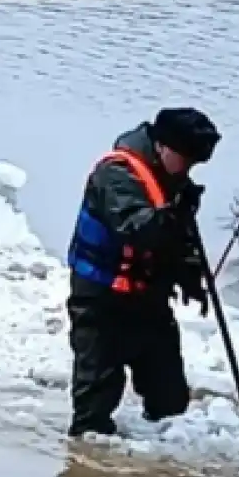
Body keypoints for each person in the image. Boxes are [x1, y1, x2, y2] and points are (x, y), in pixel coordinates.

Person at [64, 106, 222, 438]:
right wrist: (173, 215)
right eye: (187, 159)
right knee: (93, 414)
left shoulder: (173, 180)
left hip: (148, 301)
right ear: (164, 146)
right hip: (101, 302)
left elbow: (175, 242)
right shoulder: (116, 175)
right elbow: (136, 228)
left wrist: (190, 277)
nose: (189, 169)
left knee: (170, 403)